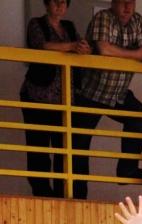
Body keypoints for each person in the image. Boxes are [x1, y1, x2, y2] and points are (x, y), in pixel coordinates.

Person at [72, 0, 142, 199]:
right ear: (113, 3)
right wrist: (136, 54)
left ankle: (127, 170)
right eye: (123, 2)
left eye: (131, 2)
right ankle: (77, 198)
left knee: (139, 116)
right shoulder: (103, 17)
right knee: (79, 145)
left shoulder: (137, 20)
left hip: (118, 93)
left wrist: (141, 54)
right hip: (91, 93)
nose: (127, 7)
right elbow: (104, 50)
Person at [20, 0, 91, 198]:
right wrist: (72, 46)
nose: (60, 5)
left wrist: (84, 48)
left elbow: (79, 46)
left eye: (63, 2)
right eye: (55, 1)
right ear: (46, 4)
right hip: (38, 97)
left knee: (63, 150)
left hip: (64, 100)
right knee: (39, 148)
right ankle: (42, 193)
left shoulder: (69, 26)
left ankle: (63, 194)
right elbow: (41, 45)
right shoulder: (36, 23)